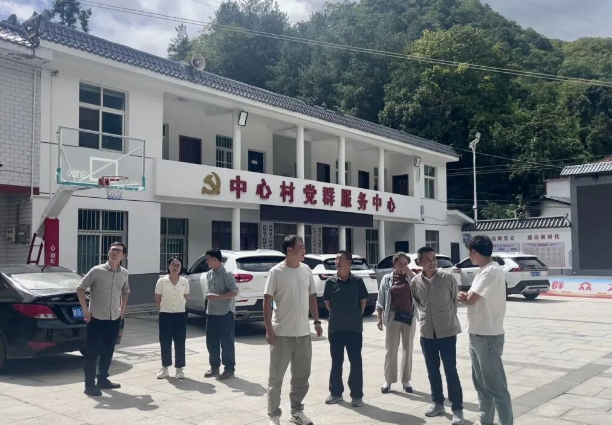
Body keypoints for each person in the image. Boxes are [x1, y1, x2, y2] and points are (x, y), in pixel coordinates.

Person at [264, 235, 323, 425]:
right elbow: (267, 301)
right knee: (276, 378)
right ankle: (274, 415)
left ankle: (297, 412)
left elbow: (312, 296)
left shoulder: (306, 270)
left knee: (301, 377)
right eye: (301, 247)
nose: (304, 250)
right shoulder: (276, 272)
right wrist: (268, 328)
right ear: (289, 250)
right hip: (281, 334)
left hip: (303, 334)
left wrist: (316, 321)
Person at [458, 235, 513, 425]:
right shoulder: (484, 270)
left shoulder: (491, 271)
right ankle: (486, 420)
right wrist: (467, 296)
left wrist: (464, 297)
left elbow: (472, 299)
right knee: (481, 383)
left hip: (488, 336)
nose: (469, 256)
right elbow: (473, 297)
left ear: (474, 252)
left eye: (469, 252)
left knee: (495, 386)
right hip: (477, 333)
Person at [412, 247, 464, 425]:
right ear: (419, 262)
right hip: (427, 333)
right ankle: (437, 403)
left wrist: (445, 318)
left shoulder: (447, 278)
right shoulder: (416, 282)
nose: (432, 262)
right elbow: (418, 303)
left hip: (447, 331)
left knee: (451, 371)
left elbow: (454, 301)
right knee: (432, 370)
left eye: (433, 258)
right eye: (427, 259)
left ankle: (457, 409)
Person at [77, 242, 130, 397]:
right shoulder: (96, 271)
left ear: (123, 255)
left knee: (108, 350)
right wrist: (85, 310)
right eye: (112, 249)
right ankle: (89, 385)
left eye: (118, 250)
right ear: (108, 252)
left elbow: (126, 290)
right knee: (92, 352)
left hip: (114, 318)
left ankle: (103, 379)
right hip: (96, 318)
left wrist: (122, 309)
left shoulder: (124, 273)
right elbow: (80, 288)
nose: (115, 252)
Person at [323, 250, 368, 408]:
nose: (337, 262)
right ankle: (336, 393)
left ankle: (356, 395)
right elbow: (328, 303)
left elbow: (362, 302)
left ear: (349, 263)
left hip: (354, 329)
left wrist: (354, 316)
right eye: (336, 259)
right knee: (336, 362)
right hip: (336, 329)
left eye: (340, 259)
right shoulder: (330, 282)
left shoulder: (357, 281)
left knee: (356, 362)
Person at [376, 252, 416, 394]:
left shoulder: (411, 278)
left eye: (405, 264)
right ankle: (388, 380)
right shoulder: (387, 279)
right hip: (393, 316)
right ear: (394, 264)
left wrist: (410, 273)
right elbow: (381, 299)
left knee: (408, 349)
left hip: (409, 316)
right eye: (400, 264)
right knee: (391, 349)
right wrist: (379, 317)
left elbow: (421, 286)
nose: (403, 266)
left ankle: (406, 380)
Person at [203, 248, 239, 380]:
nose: (206, 262)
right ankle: (214, 367)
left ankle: (229, 369)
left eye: (208, 259)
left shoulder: (227, 274)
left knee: (226, 342)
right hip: (211, 312)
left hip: (225, 313)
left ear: (215, 259)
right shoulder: (209, 274)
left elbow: (234, 292)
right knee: (211, 342)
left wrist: (217, 297)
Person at [155, 256, 189, 380]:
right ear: (168, 266)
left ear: (181, 267)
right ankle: (165, 368)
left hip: (180, 314)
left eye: (178, 265)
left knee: (180, 341)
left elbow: (185, 297)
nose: (175, 267)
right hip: (165, 314)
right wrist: (165, 307)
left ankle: (179, 368)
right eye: (173, 264)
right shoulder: (162, 281)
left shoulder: (184, 281)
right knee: (165, 341)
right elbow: (158, 299)